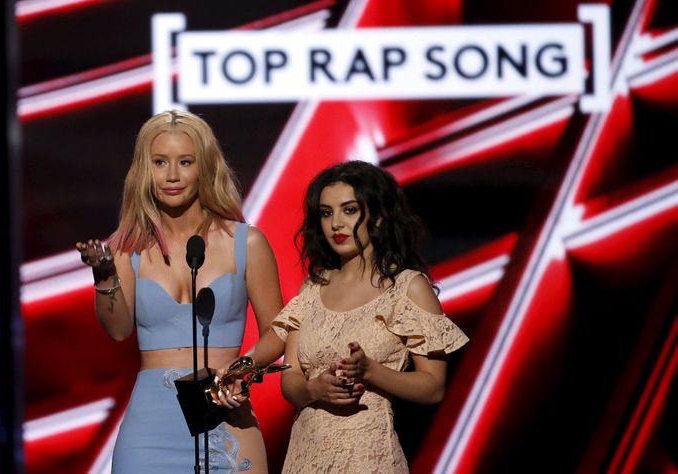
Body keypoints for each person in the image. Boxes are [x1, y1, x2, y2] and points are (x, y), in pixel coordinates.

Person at [76, 110, 285, 473]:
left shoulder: (247, 242)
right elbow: (118, 330)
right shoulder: (126, 249)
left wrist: (241, 369)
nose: (172, 175)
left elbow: (280, 330)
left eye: (185, 162)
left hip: (225, 413)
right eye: (160, 162)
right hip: (150, 431)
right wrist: (105, 273)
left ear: (204, 167)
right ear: (145, 169)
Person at [271, 160, 469, 473]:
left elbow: (433, 387)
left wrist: (370, 371)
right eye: (326, 212)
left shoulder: (407, 288)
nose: (336, 223)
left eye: (349, 210)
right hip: (304, 458)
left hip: (368, 457)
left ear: (377, 218)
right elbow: (290, 379)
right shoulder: (312, 286)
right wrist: (312, 390)